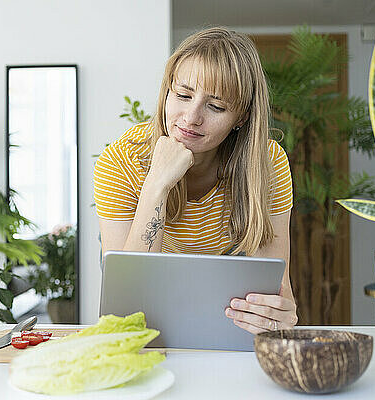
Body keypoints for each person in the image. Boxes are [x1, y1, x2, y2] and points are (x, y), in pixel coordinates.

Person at [93, 27, 297, 334]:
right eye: (183, 95)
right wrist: (157, 184)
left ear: (241, 117)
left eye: (215, 106)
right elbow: (126, 307)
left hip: (221, 298)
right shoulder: (121, 161)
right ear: (167, 91)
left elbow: (276, 289)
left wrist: (277, 315)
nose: (191, 117)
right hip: (147, 279)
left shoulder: (266, 163)